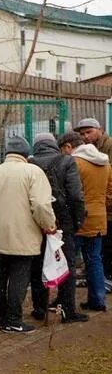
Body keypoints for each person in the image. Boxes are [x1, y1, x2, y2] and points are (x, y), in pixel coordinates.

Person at [0, 136, 56, 333]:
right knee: (19, 278)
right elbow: (40, 204)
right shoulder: (33, 172)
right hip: (24, 236)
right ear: (26, 154)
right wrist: (49, 225)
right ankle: (14, 319)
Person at [27, 133, 87, 323]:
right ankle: (67, 310)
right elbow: (76, 195)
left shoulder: (30, 164)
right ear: (53, 145)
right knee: (66, 264)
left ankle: (39, 309)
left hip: (37, 222)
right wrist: (77, 220)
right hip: (63, 221)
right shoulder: (66, 161)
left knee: (38, 265)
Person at [68, 132, 112, 312]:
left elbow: (73, 193)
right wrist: (102, 205)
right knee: (94, 259)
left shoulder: (75, 163)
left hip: (79, 219)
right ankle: (98, 299)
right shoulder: (105, 163)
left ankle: (66, 301)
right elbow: (110, 191)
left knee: (70, 260)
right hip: (99, 218)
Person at [73, 117, 112, 278]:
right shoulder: (93, 150)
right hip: (101, 210)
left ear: (100, 130)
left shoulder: (108, 147)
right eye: (82, 134)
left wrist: (107, 201)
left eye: (89, 132)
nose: (85, 137)